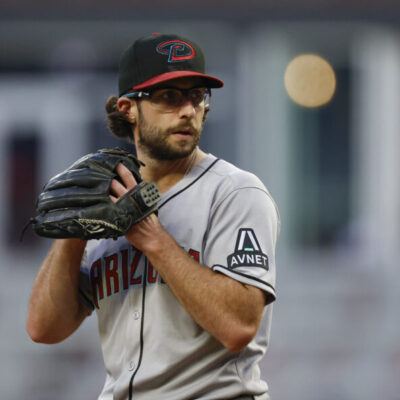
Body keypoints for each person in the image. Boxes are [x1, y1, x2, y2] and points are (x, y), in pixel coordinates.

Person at [26, 33, 280, 400]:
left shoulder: (236, 193)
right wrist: (74, 231)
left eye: (196, 97)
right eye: (169, 97)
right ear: (128, 108)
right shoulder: (107, 196)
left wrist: (153, 238)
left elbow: (239, 327)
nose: (188, 111)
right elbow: (44, 328)